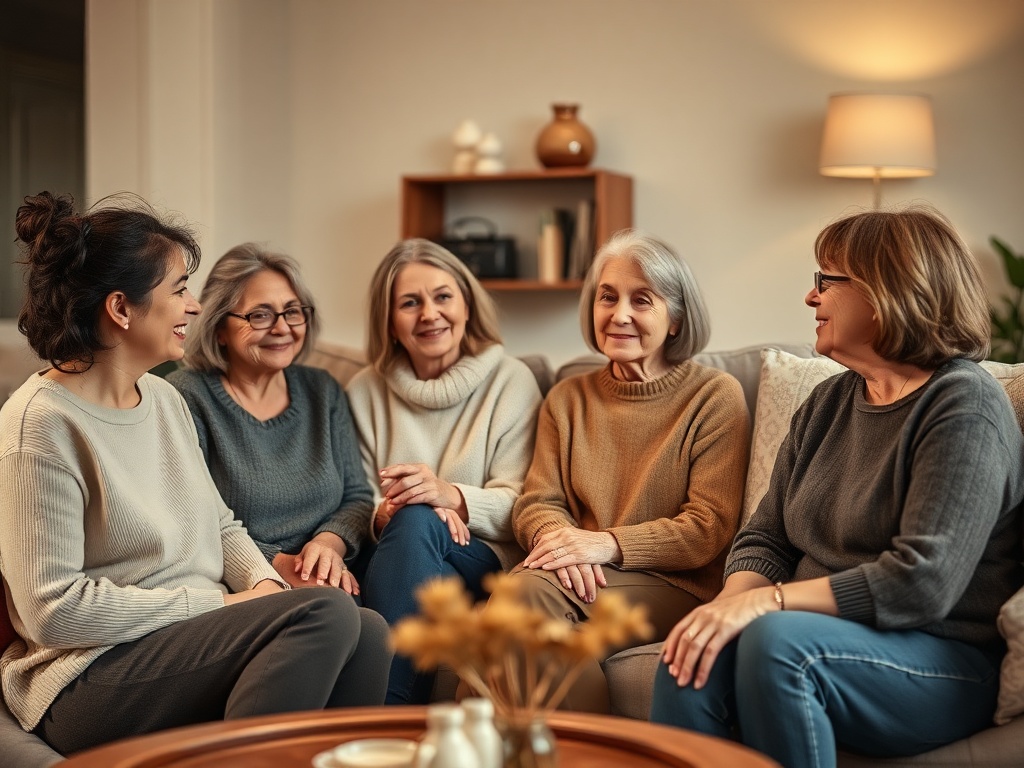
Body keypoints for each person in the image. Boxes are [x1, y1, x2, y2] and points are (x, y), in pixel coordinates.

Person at [0, 192, 390, 756]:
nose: (192, 307)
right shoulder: (40, 425)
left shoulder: (161, 397)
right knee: (325, 614)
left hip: (185, 641)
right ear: (121, 308)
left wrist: (264, 586)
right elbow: (53, 612)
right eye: (179, 289)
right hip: (86, 676)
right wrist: (224, 606)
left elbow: (222, 524)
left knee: (369, 633)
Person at [650, 206, 1024, 767]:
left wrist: (767, 604)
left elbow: (921, 583)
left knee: (777, 646)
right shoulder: (828, 402)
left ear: (888, 290)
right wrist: (725, 609)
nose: (810, 297)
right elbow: (766, 540)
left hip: (939, 660)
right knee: (688, 655)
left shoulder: (963, 404)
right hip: (810, 635)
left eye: (825, 280)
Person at [508, 230, 750, 714]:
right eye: (607, 297)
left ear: (676, 319)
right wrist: (564, 545)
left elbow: (708, 528)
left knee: (523, 596)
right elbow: (538, 501)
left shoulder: (714, 397)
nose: (619, 314)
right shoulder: (568, 399)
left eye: (642, 300)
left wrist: (606, 544)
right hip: (579, 578)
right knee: (515, 635)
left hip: (675, 584)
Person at [346, 238, 543, 705]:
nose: (429, 314)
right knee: (415, 523)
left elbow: (523, 504)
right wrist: (388, 511)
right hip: (399, 552)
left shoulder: (511, 382)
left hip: (483, 557)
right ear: (389, 322)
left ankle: (383, 714)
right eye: (410, 303)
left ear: (467, 305)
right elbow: (354, 495)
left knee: (420, 518)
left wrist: (448, 496)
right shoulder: (363, 390)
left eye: (443, 296)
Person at [168, 243, 373, 593]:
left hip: (334, 572)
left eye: (292, 311)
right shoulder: (185, 397)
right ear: (219, 327)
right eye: (260, 315)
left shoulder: (322, 390)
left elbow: (357, 496)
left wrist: (327, 545)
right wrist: (279, 564)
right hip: (248, 581)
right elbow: (189, 522)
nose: (282, 328)